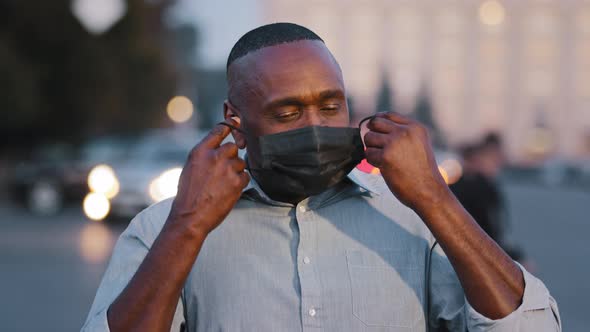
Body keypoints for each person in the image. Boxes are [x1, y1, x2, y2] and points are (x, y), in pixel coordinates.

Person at [82, 23, 560, 331]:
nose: (316, 130)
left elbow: (531, 328)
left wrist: (435, 197)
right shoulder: (163, 230)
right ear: (235, 121)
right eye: (287, 113)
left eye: (331, 107)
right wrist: (187, 227)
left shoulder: (416, 219)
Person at [450, 133, 525, 262]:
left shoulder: (458, 185)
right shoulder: (482, 188)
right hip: (478, 257)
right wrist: (515, 257)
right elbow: (490, 231)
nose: (498, 164)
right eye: (494, 159)